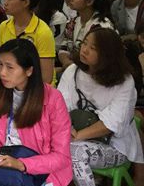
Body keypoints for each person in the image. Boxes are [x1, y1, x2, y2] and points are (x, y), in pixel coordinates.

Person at [0, 39, 72, 186]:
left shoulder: (53, 99)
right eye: (0, 64)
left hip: (41, 173)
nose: (2, 73)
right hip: (2, 162)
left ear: (29, 71)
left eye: (10, 67)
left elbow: (61, 157)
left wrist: (21, 164)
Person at [57, 28, 144, 186]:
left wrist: (76, 136)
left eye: (93, 48)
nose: (84, 50)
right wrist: (68, 129)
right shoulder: (72, 71)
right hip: (74, 135)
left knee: (74, 152)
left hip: (114, 145)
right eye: (84, 43)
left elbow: (112, 123)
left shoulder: (124, 82)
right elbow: (60, 107)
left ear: (107, 55)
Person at [58, 0, 114, 70]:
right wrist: (66, 62)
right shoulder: (72, 22)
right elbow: (64, 47)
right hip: (74, 67)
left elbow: (102, 58)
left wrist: (73, 66)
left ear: (89, 2)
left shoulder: (102, 27)